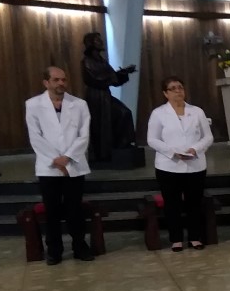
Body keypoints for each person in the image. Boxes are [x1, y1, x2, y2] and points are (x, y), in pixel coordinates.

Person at [24, 66, 94, 265]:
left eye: (63, 79)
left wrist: (68, 157)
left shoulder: (79, 104)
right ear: (46, 82)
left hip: (74, 164)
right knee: (52, 210)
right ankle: (54, 250)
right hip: (49, 167)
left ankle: (80, 246)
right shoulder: (33, 104)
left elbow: (84, 135)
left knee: (75, 209)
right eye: (56, 80)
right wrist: (56, 159)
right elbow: (35, 136)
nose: (61, 83)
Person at [146, 76, 213, 252]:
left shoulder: (197, 111)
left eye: (180, 87)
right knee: (172, 204)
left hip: (195, 165)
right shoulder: (158, 113)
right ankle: (176, 239)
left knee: (194, 203)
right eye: (173, 88)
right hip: (168, 166)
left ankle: (194, 237)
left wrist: (195, 149)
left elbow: (208, 137)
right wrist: (172, 152)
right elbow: (152, 139)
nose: (178, 91)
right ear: (165, 93)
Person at [81, 32, 137, 162]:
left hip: (105, 96)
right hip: (95, 97)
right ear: (91, 43)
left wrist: (124, 73)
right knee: (101, 124)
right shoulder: (87, 61)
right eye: (97, 40)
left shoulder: (102, 61)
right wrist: (114, 76)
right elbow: (95, 79)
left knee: (124, 113)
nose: (101, 42)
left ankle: (121, 144)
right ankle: (103, 153)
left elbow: (113, 78)